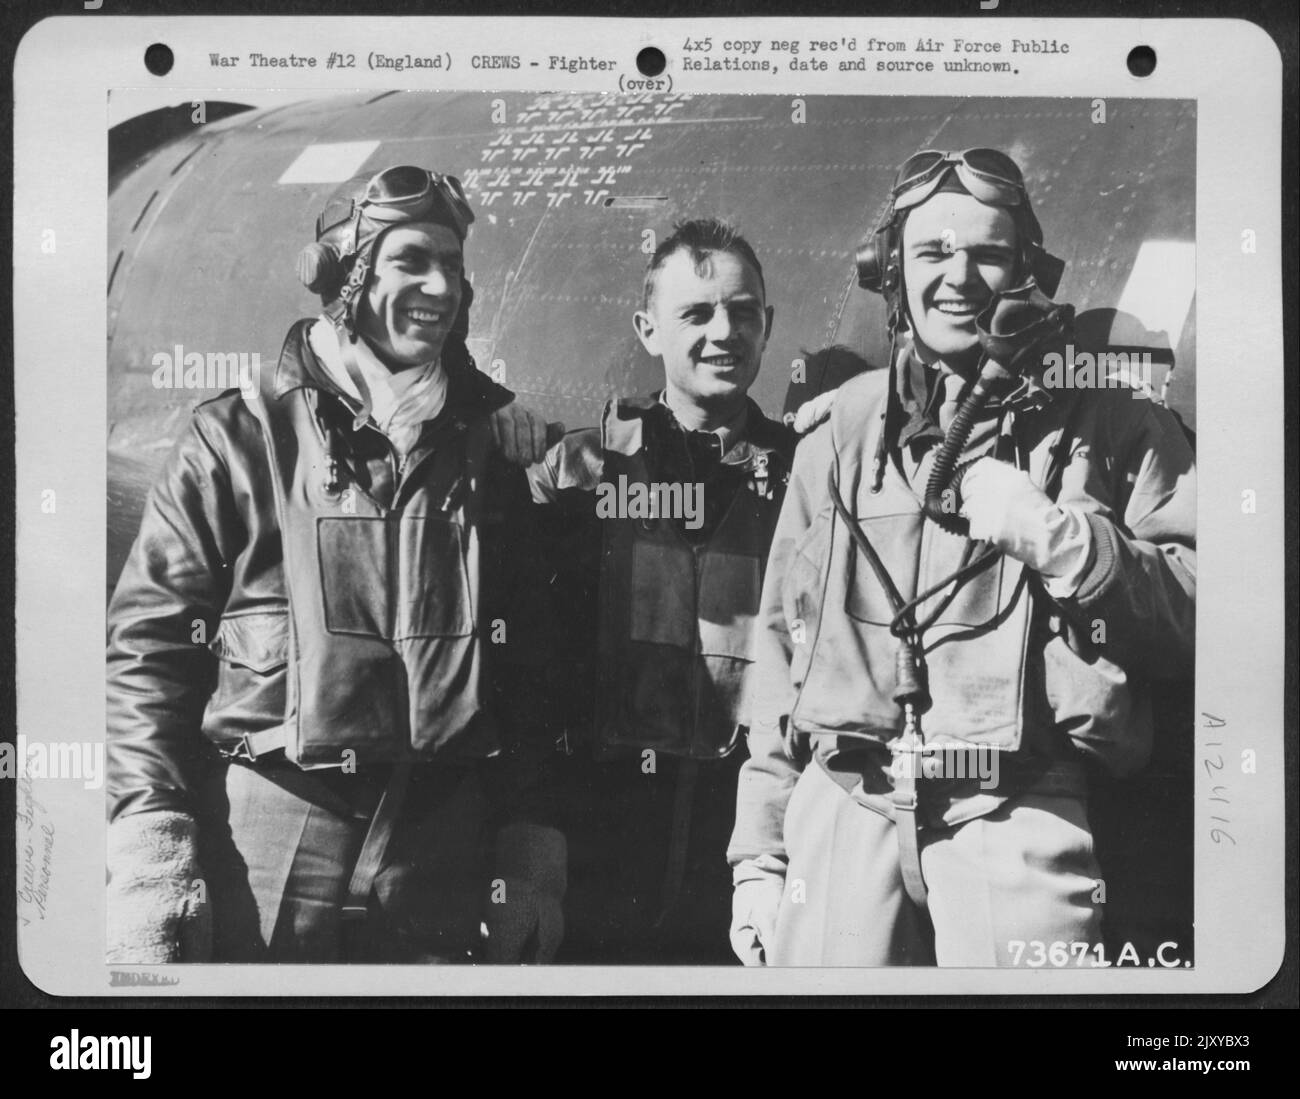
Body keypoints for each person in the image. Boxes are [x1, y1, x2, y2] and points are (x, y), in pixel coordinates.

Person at [727, 148, 1197, 966]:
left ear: (1027, 272)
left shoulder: (1108, 418)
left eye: (987, 253)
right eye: (933, 253)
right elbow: (778, 651)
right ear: (890, 273)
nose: (959, 278)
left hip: (1017, 803)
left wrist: (1069, 544)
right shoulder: (840, 432)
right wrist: (760, 857)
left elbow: (1204, 608)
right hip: (846, 803)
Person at [106, 164, 564, 964]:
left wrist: (527, 852)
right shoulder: (238, 439)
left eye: (454, 266)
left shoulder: (490, 448)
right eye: (412, 261)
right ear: (344, 274)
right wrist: (151, 843)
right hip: (270, 834)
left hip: (437, 848)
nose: (441, 286)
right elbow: (149, 653)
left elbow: (530, 665)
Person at [529, 218, 797, 963]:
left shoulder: (805, 481)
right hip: (606, 839)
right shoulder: (579, 476)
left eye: (745, 312)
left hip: (742, 835)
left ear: (767, 325)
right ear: (649, 330)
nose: (725, 332)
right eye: (697, 313)